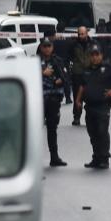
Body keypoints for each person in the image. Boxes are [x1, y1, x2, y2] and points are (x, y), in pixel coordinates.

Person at [75, 44, 111, 170]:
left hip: (103, 105)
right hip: (90, 106)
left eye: (97, 54)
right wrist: (78, 100)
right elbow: (82, 86)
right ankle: (96, 157)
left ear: (101, 55)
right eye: (92, 55)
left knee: (102, 131)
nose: (94, 57)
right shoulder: (86, 70)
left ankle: (104, 158)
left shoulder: (109, 68)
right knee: (92, 132)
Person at [38, 39, 68, 167]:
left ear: (52, 47)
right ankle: (34, 160)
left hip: (53, 98)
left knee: (52, 129)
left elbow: (66, 77)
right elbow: (27, 74)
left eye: (49, 46)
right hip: (39, 99)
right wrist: (42, 72)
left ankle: (54, 157)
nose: (47, 49)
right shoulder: (35, 61)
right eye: (44, 46)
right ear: (40, 47)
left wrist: (61, 81)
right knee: (35, 130)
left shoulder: (58, 61)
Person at [69, 27, 94, 125]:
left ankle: (90, 117)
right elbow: (69, 56)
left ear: (87, 33)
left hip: (90, 72)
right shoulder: (74, 44)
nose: (81, 36)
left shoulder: (93, 43)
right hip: (78, 73)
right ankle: (77, 117)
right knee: (77, 96)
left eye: (83, 34)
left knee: (90, 95)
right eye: (79, 34)